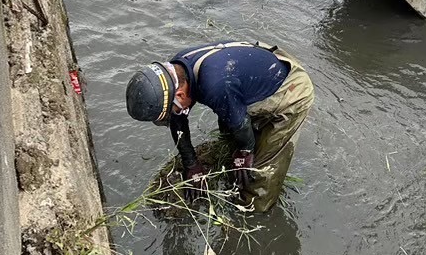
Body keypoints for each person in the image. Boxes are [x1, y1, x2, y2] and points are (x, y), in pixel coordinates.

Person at [125, 42, 313, 212]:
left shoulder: (214, 85)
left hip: (291, 88)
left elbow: (239, 123)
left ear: (180, 95)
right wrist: (192, 165)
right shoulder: (177, 71)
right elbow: (179, 120)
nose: (173, 114)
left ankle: (256, 213)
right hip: (253, 69)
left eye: (170, 110)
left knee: (259, 176)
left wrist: (245, 152)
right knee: (230, 124)